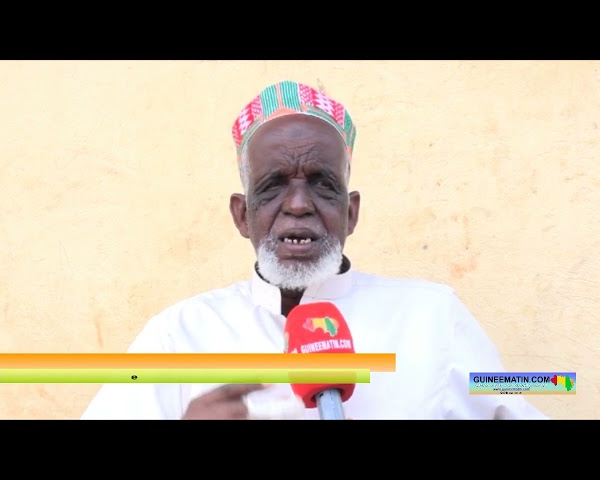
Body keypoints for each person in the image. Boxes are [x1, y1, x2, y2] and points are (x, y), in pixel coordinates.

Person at [81, 80, 548, 420]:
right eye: (273, 186)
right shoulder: (176, 339)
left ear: (351, 212)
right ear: (243, 215)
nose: (299, 204)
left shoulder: (434, 318)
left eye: (323, 185)